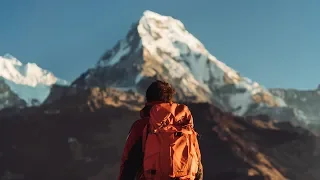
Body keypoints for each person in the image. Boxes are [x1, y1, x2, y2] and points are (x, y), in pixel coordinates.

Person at [118, 80, 203, 180]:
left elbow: (128, 163)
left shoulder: (141, 126)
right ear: (170, 101)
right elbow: (198, 166)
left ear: (147, 100)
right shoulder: (185, 126)